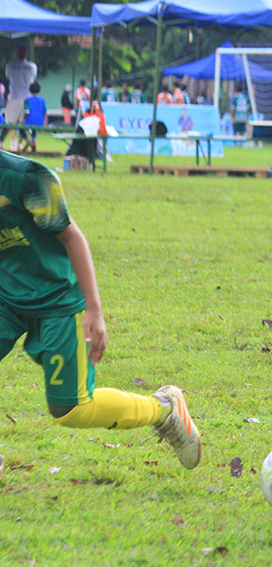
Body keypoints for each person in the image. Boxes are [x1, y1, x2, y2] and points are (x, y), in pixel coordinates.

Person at [0, 150, 202, 468]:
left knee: (72, 410)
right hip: (5, 297)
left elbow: (72, 239)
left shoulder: (28, 179)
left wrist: (94, 310)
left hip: (58, 299)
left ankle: (164, 408)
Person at [3, 45, 38, 149]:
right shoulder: (32, 66)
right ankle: (20, 143)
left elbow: (8, 76)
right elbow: (33, 78)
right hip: (28, 97)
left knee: (9, 122)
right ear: (27, 53)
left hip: (14, 97)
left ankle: (1, 141)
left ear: (17, 53)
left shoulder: (10, 66)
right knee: (23, 122)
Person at [21, 82, 46, 153]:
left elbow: (27, 112)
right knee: (34, 129)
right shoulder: (42, 99)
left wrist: (23, 121)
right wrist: (45, 121)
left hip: (30, 121)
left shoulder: (27, 100)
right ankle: (33, 141)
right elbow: (44, 111)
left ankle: (28, 141)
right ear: (39, 90)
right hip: (40, 122)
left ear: (29, 90)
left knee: (20, 129)